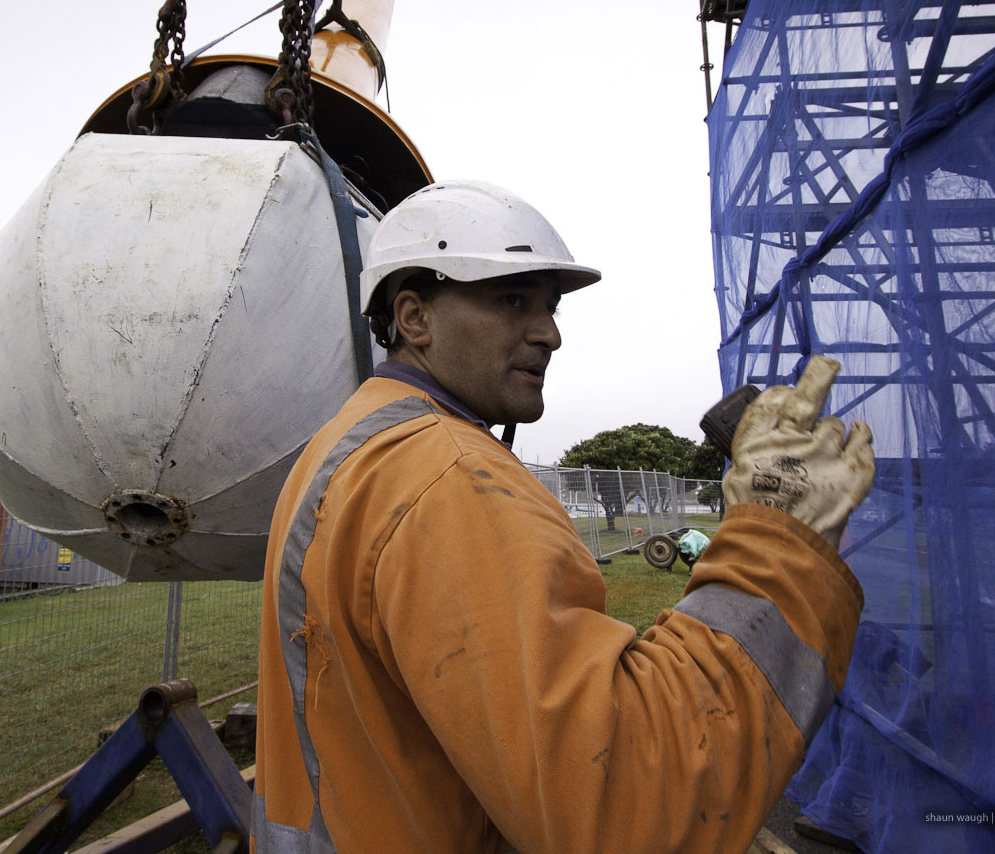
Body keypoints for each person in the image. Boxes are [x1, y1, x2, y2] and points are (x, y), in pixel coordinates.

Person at [253, 179, 875, 854]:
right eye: (512, 299)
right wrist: (780, 540)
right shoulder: (447, 477)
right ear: (414, 317)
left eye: (549, 306)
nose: (549, 332)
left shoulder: (353, 443)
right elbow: (632, 804)